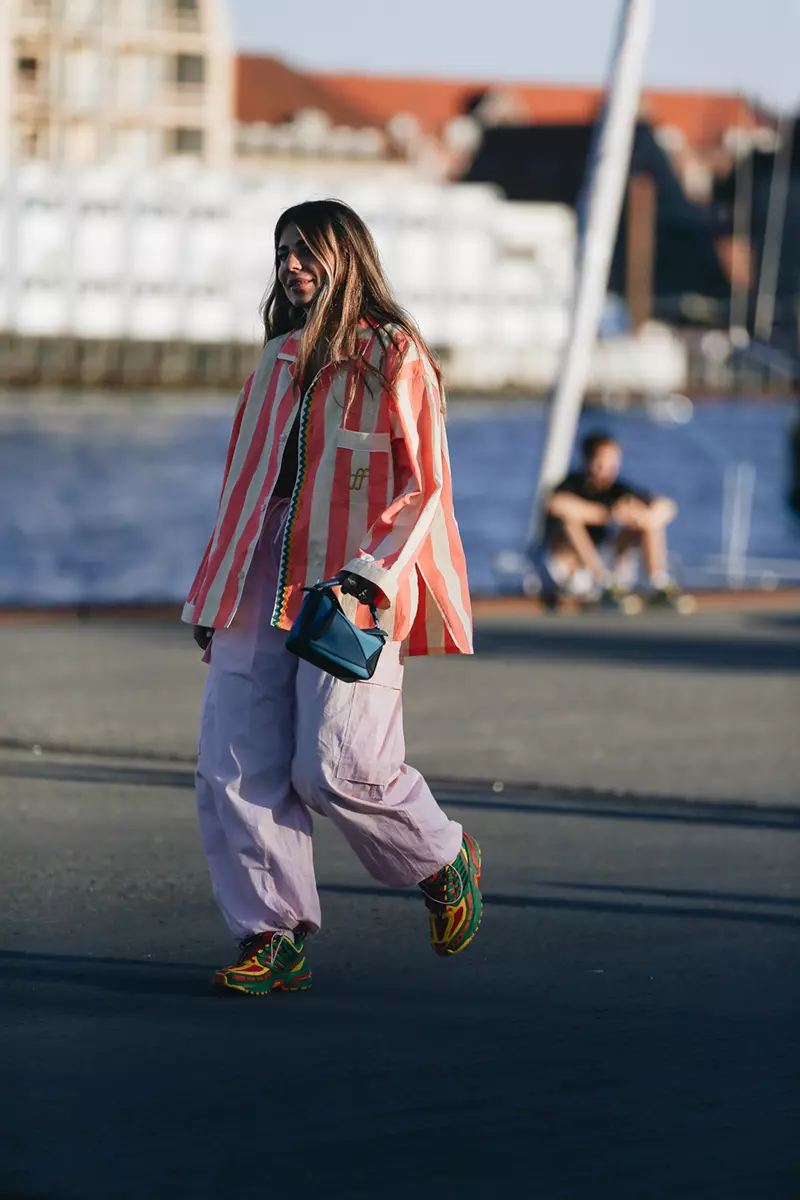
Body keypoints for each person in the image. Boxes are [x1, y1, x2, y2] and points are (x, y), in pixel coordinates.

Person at [183, 199, 482, 996]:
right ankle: (270, 936)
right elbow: (241, 486)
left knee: (336, 766)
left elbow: (426, 487)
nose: (292, 265)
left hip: (351, 584)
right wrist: (214, 594)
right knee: (234, 766)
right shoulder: (277, 358)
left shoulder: (395, 356)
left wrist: (374, 575)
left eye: (308, 250)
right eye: (284, 251)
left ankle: (440, 856)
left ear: (349, 256)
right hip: (253, 577)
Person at [543, 430, 680, 608]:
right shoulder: (572, 484)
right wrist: (609, 515)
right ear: (588, 460)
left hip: (607, 557)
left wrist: (642, 517)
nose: (608, 465)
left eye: (613, 459)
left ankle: (658, 584)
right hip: (569, 565)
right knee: (570, 522)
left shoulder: (619, 490)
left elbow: (666, 507)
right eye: (602, 459)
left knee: (648, 523)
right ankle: (602, 583)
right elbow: (557, 505)